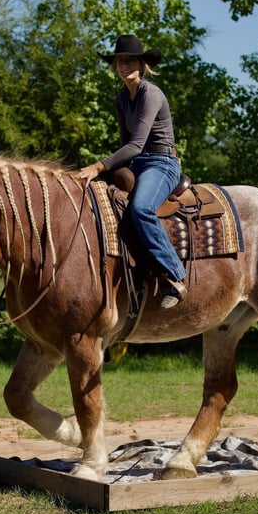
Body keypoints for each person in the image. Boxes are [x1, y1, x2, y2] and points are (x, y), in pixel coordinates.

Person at [74, 34, 187, 309]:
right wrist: (107, 173)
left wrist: (98, 165)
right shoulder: (122, 98)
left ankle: (175, 275)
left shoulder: (152, 94)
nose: (124, 66)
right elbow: (126, 144)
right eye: (119, 62)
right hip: (137, 163)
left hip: (162, 163)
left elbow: (137, 144)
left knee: (140, 209)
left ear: (142, 65)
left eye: (130, 61)